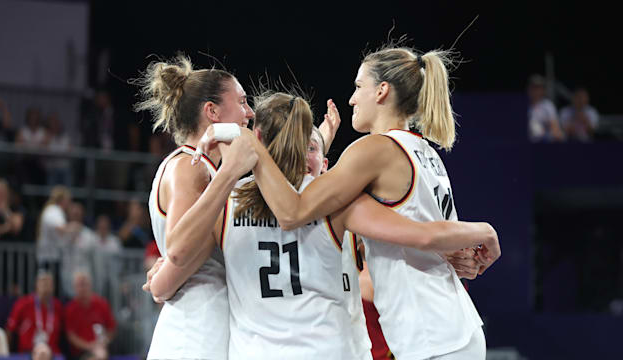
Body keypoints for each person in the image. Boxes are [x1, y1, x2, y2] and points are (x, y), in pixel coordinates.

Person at [156, 90, 498, 359]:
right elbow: (418, 234)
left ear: (256, 136)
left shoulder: (225, 203)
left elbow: (175, 261)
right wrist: (465, 241)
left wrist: (162, 274)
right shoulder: (342, 203)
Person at [240, 46, 500, 359]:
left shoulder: (374, 149)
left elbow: (293, 210)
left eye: (358, 87)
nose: (352, 98)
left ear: (381, 91)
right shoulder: (424, 150)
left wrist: (253, 149)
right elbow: (422, 232)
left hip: (432, 335)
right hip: (451, 325)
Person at [133, 54, 257, 360]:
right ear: (212, 111)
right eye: (241, 102)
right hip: (195, 332)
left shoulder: (209, 171)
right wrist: (162, 280)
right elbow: (181, 249)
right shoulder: (191, 167)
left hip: (208, 327)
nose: (249, 112)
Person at [6, 271, 64, 355]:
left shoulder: (58, 306)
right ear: (36, 285)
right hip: (26, 353)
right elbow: (10, 329)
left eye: (49, 283)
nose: (46, 285)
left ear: (53, 287)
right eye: (43, 282)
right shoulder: (23, 304)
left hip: (52, 353)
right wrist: (7, 353)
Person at [65, 270, 117, 360]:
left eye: (84, 284)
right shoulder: (70, 308)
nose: (82, 288)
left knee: (101, 354)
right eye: (80, 285)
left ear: (90, 285)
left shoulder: (102, 304)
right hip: (80, 352)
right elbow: (71, 336)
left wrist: (104, 342)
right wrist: (89, 346)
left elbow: (111, 329)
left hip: (101, 347)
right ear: (74, 287)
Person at [527, 74, 564, 142]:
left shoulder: (548, 106)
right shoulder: (523, 105)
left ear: (543, 90)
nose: (536, 91)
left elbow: (556, 130)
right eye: (533, 88)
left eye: (538, 88)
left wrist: (548, 131)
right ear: (529, 89)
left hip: (544, 143)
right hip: (526, 143)